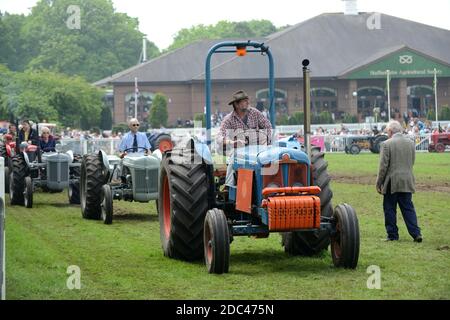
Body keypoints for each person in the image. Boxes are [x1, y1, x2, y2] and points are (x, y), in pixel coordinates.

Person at [376, 120, 422, 242]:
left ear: (390, 131)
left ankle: (392, 235)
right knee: (408, 208)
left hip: (392, 182)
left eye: (387, 131)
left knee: (389, 208)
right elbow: (411, 161)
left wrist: (379, 183)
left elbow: (383, 167)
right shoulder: (411, 143)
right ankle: (416, 234)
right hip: (407, 180)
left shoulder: (386, 144)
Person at [216, 90, 272, 187]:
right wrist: (232, 142)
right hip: (239, 150)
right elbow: (220, 137)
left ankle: (272, 184)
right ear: (236, 105)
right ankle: (230, 187)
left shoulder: (255, 113)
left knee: (272, 159)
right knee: (233, 160)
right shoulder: (228, 119)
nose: (248, 102)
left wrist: (268, 141)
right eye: (244, 100)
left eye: (247, 100)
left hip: (258, 149)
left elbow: (268, 126)